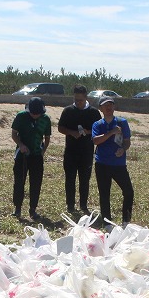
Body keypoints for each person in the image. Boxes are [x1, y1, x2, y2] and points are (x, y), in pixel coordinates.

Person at [57, 85, 102, 215]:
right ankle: (70, 205)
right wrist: (71, 132)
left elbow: (99, 130)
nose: (78, 102)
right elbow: (60, 127)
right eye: (76, 100)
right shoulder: (68, 111)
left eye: (80, 100)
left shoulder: (94, 113)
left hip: (86, 151)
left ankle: (83, 205)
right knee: (70, 179)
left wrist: (89, 132)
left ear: (86, 98)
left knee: (85, 179)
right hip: (71, 151)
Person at [91, 97, 133, 225]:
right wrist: (111, 133)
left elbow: (127, 142)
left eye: (111, 105)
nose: (108, 108)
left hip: (118, 165)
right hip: (102, 164)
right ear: (101, 109)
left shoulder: (122, 122)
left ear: (114, 107)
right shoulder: (97, 124)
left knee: (128, 191)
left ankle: (126, 221)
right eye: (105, 106)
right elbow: (95, 141)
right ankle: (107, 222)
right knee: (104, 194)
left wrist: (123, 149)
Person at [11, 97, 52, 220]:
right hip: (22, 155)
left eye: (37, 113)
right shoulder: (21, 116)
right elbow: (14, 134)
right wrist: (21, 145)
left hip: (36, 156)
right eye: (33, 113)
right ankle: (17, 208)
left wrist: (42, 151)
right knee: (19, 181)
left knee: (36, 183)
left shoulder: (46, 119)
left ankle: (33, 209)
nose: (35, 115)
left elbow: (47, 137)